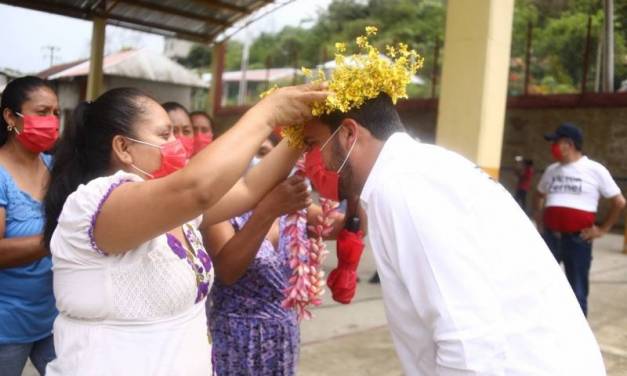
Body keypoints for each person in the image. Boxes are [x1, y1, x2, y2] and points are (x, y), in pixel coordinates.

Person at [302, 93, 606, 375]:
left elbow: (467, 341)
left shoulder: (402, 186)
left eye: (314, 145)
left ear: (348, 134)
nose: (312, 161)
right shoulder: (418, 168)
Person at [43, 84, 326, 375]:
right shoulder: (94, 205)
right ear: (123, 148)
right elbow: (197, 189)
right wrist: (268, 112)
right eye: (164, 135)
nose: (178, 144)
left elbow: (248, 188)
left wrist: (301, 134)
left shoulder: (176, 214)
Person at [204, 135, 348, 375]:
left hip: (283, 335)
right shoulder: (217, 208)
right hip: (235, 337)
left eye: (268, 154)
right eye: (253, 154)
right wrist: (269, 209)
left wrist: (352, 185)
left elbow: (348, 227)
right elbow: (228, 271)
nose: (262, 163)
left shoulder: (296, 208)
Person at [0, 76, 59, 376]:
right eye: (42, 112)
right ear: (10, 116)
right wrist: (58, 239)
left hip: (52, 318)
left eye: (56, 113)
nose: (51, 121)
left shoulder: (55, 167)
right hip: (6, 326)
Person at [534, 123, 625, 316]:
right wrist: (540, 221)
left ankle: (576, 337)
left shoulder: (594, 169)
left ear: (569, 144)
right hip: (550, 237)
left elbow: (619, 202)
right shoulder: (552, 170)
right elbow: (539, 195)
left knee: (577, 291)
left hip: (577, 240)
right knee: (541, 286)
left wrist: (602, 230)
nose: (553, 147)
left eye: (556, 142)